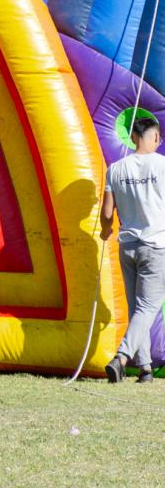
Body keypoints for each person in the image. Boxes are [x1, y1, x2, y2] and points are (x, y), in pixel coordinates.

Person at [100, 117, 165, 384]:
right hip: (156, 245)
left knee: (137, 308)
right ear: (155, 138)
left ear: (133, 138)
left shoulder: (115, 169)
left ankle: (146, 369)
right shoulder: (162, 165)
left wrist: (106, 230)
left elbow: (106, 213)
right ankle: (122, 358)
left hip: (127, 246)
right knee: (148, 306)